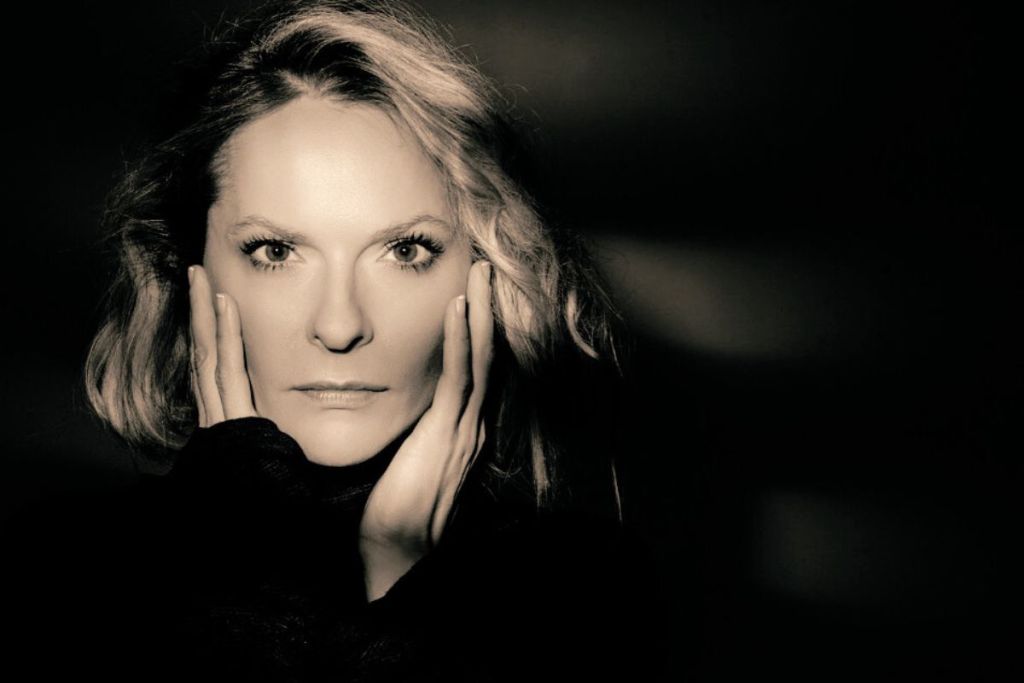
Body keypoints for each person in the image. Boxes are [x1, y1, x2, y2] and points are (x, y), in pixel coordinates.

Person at [4, 1, 668, 680]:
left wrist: (400, 580)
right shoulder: (60, 573)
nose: (340, 326)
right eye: (276, 251)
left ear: (488, 275)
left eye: (405, 250)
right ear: (187, 269)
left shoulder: (589, 595)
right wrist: (252, 574)